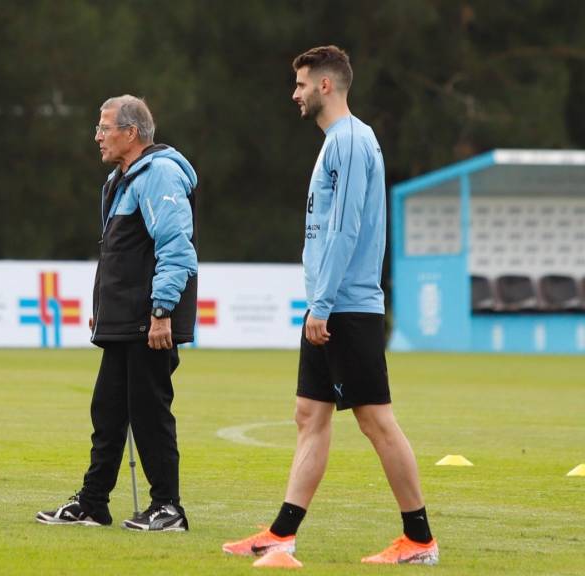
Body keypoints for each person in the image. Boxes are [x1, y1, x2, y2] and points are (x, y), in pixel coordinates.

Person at [222, 46, 438, 568]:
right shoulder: (336, 143)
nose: (294, 94)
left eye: (301, 84)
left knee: (376, 421)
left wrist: (321, 304)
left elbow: (344, 229)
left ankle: (420, 539)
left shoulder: (350, 142)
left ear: (325, 85)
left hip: (346, 306)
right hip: (328, 304)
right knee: (309, 416)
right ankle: (282, 534)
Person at [36, 95, 198, 531]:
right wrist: (104, 309)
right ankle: (93, 503)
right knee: (107, 412)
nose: (97, 136)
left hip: (149, 319)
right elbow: (120, 253)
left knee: (149, 412)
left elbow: (176, 247)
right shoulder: (120, 179)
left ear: (131, 132)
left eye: (104, 127)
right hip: (125, 318)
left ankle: (168, 507)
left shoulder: (159, 173)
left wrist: (161, 310)